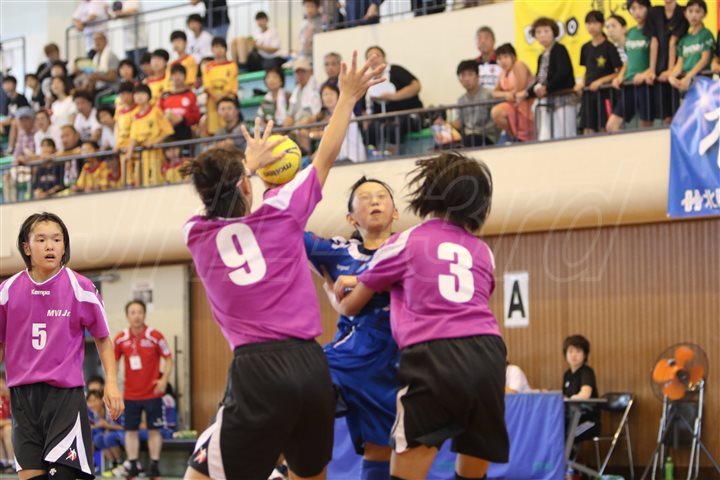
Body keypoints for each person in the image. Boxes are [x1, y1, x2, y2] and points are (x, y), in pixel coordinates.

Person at [181, 52, 384, 480]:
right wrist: (347, 97)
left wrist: (245, 168)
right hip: (310, 364)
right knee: (309, 474)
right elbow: (325, 155)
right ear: (245, 185)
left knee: (206, 472)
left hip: (256, 369)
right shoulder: (282, 211)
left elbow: (211, 206)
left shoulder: (195, 235)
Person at [337, 152, 509, 480]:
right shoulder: (483, 252)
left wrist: (340, 289)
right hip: (489, 354)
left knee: (405, 470)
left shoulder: (405, 241)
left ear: (427, 191)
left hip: (434, 353)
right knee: (473, 472)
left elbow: (352, 305)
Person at [0, 212, 124, 479]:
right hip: (22, 399)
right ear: (26, 247)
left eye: (57, 240)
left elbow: (103, 339)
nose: (50, 246)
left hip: (64, 399)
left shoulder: (81, 288)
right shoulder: (7, 291)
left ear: (64, 246)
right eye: (41, 239)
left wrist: (112, 383)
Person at [304, 177, 399, 479]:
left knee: (380, 451)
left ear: (396, 212)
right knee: (297, 392)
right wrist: (275, 186)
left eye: (382, 196)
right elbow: (286, 231)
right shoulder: (337, 251)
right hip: (349, 357)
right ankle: (280, 468)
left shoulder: (409, 246)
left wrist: (353, 285)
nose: (375, 201)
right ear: (350, 218)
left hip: (397, 362)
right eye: (365, 197)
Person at [114, 299, 173, 480]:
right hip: (130, 394)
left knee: (154, 430)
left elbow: (169, 358)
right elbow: (113, 362)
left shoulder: (155, 336)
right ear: (127, 316)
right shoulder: (120, 338)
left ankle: (154, 466)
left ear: (144, 314)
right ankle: (132, 466)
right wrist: (113, 385)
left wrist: (164, 380)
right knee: (130, 431)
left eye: (140, 312)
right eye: (133, 312)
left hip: (152, 393)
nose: (137, 316)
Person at [606, 0, 658, 132]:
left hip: (646, 84)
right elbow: (629, 58)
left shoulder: (653, 32)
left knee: (645, 126)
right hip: (629, 84)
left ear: (648, 8)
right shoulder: (630, 33)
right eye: (633, 9)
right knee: (611, 126)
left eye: (640, 7)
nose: (637, 12)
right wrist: (620, 76)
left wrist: (645, 74)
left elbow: (658, 60)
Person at [523, 17, 576, 141]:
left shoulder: (559, 49)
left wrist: (547, 88)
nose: (542, 35)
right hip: (547, 101)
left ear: (554, 32)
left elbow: (563, 73)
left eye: (546, 31)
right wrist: (527, 92)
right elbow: (539, 79)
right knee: (546, 136)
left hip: (563, 99)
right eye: (539, 32)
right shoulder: (541, 56)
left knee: (564, 134)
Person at [365, 45, 423, 151]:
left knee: (395, 126)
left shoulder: (396, 70)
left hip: (406, 116)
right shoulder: (368, 80)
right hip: (382, 119)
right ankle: (372, 153)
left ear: (384, 57)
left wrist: (392, 97)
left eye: (377, 56)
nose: (374, 60)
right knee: (371, 129)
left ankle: (392, 153)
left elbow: (416, 86)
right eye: (370, 58)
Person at [575, 11, 623, 134]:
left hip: (605, 94)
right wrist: (582, 83)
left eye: (595, 23)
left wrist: (601, 81)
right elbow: (587, 69)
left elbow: (619, 71)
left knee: (604, 127)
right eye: (588, 23)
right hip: (588, 93)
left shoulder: (609, 47)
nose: (591, 26)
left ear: (601, 25)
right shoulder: (585, 48)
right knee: (587, 128)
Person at [123, 84, 174, 187]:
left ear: (149, 96)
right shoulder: (135, 115)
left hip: (155, 153)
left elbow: (168, 131)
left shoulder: (156, 111)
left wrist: (154, 142)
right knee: (141, 182)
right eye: (136, 94)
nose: (139, 96)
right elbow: (133, 137)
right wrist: (129, 152)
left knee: (155, 181)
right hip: (141, 155)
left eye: (142, 93)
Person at [648, 0, 688, 123]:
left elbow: (673, 42)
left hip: (678, 70)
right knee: (666, 116)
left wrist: (671, 70)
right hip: (660, 72)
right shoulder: (654, 12)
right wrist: (652, 70)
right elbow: (654, 41)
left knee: (680, 113)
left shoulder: (683, 12)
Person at [491, 43, 535, 143]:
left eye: (506, 57)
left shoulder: (518, 65)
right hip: (514, 106)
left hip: (526, 107)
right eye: (499, 58)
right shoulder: (502, 73)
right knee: (496, 112)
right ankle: (514, 137)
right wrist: (506, 95)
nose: (503, 61)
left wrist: (510, 95)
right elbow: (494, 92)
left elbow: (519, 90)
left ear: (513, 56)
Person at [668, 0, 715, 93]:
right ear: (685, 14)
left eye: (698, 11)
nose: (694, 15)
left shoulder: (706, 34)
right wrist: (671, 77)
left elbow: (704, 60)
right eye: (690, 11)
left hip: (703, 82)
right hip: (686, 84)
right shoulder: (684, 40)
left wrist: (689, 76)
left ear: (704, 14)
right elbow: (680, 64)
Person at [312, 83, 367, 162]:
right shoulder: (329, 117)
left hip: (352, 158)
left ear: (338, 96)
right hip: (338, 159)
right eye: (325, 94)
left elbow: (333, 134)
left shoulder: (346, 111)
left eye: (331, 94)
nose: (328, 97)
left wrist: (315, 134)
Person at [562, 335, 600, 443]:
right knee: (554, 432)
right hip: (571, 419)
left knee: (568, 436)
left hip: (589, 422)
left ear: (585, 354)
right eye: (570, 351)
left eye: (578, 351)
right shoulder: (567, 374)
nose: (574, 355)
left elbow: (585, 393)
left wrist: (573, 398)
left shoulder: (586, 372)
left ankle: (568, 454)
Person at [453, 60, 496, 147]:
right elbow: (459, 123)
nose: (466, 79)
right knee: (443, 146)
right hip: (468, 136)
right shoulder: (461, 100)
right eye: (463, 75)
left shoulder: (488, 94)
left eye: (470, 74)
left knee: (466, 142)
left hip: (486, 136)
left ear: (478, 76)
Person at [202, 37, 238, 135]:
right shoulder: (207, 66)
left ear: (225, 49)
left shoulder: (232, 65)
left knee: (229, 124)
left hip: (228, 98)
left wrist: (222, 98)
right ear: (212, 49)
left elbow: (231, 83)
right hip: (212, 99)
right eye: (216, 47)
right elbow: (207, 84)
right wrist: (215, 97)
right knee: (213, 127)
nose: (218, 50)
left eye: (221, 47)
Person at [86, 389, 125, 474]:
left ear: (101, 400)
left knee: (108, 437)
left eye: (94, 400)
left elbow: (125, 427)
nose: (92, 404)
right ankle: (111, 464)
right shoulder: (91, 412)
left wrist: (107, 426)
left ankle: (120, 464)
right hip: (107, 433)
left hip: (124, 433)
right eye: (89, 401)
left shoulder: (112, 409)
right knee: (97, 438)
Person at [159, 64, 200, 141]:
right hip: (167, 131)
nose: (177, 77)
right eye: (174, 74)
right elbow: (158, 114)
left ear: (185, 77)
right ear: (170, 77)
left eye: (180, 74)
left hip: (184, 130)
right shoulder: (164, 96)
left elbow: (196, 116)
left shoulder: (190, 95)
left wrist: (182, 118)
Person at [2, 107, 35, 202]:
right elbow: (17, 152)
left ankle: (30, 200)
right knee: (7, 176)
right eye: (21, 119)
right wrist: (16, 161)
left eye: (26, 119)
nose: (24, 122)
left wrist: (26, 159)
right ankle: (11, 203)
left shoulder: (37, 132)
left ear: (32, 119)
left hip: (32, 165)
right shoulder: (21, 133)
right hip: (20, 165)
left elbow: (36, 154)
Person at [284, 58, 322, 128]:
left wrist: (309, 120)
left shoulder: (318, 88)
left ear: (310, 72)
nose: (300, 75)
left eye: (303, 72)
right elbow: (291, 114)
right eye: (297, 72)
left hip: (312, 125)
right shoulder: (296, 91)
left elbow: (321, 113)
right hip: (296, 125)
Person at [107, 0, 148, 64]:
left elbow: (131, 12)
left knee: (139, 66)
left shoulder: (134, 1)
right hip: (128, 44)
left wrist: (116, 14)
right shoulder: (124, 3)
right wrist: (108, 11)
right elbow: (114, 16)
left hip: (139, 43)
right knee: (131, 67)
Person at [0, 76, 30, 151]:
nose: (6, 86)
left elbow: (22, 115)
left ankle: (11, 148)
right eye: (5, 83)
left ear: (15, 84)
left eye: (9, 83)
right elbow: (6, 116)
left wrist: (2, 123)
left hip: (19, 122)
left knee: (14, 122)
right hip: (8, 123)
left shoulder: (21, 98)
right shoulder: (7, 100)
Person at [0, 377, 13, 472]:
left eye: (3, 387)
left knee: (8, 430)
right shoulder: (1, 401)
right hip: (7, 427)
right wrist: (9, 422)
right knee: (4, 430)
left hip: (15, 428)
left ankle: (12, 463)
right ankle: (4, 462)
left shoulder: (11, 399)